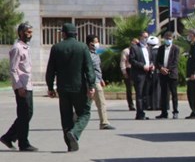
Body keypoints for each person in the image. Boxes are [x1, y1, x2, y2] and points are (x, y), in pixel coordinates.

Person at [45, 23, 96, 152]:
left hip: (63, 89)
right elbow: (89, 68)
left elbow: (50, 70)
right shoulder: (82, 47)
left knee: (66, 117)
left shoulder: (56, 48)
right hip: (79, 88)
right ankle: (75, 133)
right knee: (85, 112)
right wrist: (91, 85)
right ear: (75, 34)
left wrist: (50, 87)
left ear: (64, 33)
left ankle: (70, 144)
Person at [1, 22, 38, 152]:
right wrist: (19, 86)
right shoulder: (17, 48)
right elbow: (13, 69)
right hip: (22, 86)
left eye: (31, 32)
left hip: (28, 85)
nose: (30, 35)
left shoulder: (25, 47)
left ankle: (8, 137)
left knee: (27, 114)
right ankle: (23, 142)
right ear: (21, 33)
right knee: (24, 114)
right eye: (28, 32)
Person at [86, 35, 116, 131]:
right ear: (90, 43)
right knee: (101, 103)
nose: (97, 44)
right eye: (96, 42)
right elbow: (88, 70)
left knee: (86, 104)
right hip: (93, 82)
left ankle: (73, 120)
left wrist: (101, 78)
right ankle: (104, 123)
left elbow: (97, 69)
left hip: (96, 80)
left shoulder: (95, 54)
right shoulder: (88, 55)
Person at [129, 30, 155, 120]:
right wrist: (142, 66)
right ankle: (139, 114)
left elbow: (151, 59)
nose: (146, 39)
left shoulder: (149, 48)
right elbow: (132, 60)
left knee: (145, 94)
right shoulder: (134, 48)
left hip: (148, 74)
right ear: (140, 37)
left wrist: (152, 65)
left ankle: (142, 112)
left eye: (147, 37)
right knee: (139, 94)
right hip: (139, 74)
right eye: (144, 37)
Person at [155, 31, 181, 119]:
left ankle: (175, 111)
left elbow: (175, 62)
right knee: (164, 94)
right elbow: (157, 61)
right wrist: (161, 68)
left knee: (174, 94)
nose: (168, 40)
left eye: (169, 39)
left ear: (172, 39)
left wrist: (168, 69)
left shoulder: (176, 48)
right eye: (166, 39)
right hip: (162, 74)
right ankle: (164, 112)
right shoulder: (161, 48)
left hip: (172, 74)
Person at [120, 37, 138, 111]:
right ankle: (131, 105)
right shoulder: (126, 51)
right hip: (128, 70)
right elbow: (123, 61)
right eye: (134, 42)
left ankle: (139, 105)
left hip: (136, 70)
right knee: (129, 89)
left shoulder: (138, 50)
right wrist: (124, 72)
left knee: (138, 88)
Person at [146, 35, 161, 111]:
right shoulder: (161, 50)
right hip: (160, 72)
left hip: (153, 72)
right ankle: (159, 104)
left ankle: (153, 104)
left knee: (152, 89)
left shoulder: (150, 52)